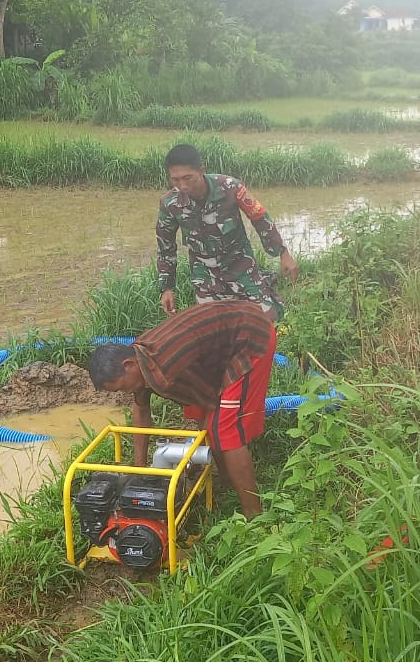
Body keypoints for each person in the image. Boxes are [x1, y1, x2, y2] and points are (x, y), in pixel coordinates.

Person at [87, 300, 278, 519]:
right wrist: (139, 470)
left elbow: (211, 402)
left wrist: (215, 422)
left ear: (128, 365)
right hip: (220, 341)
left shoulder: (166, 364)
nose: (126, 392)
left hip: (250, 336)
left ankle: (254, 514)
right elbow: (141, 409)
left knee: (225, 429)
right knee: (201, 414)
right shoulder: (141, 360)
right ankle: (226, 479)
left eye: (122, 387)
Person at [157, 144, 298, 322]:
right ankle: (262, 281)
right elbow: (165, 247)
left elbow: (260, 218)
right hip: (205, 272)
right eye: (175, 180)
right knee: (212, 327)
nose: (182, 186)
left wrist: (283, 253)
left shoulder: (231, 187)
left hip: (239, 263)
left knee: (268, 320)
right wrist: (166, 288)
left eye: (187, 178)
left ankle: (264, 284)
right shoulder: (169, 203)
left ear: (201, 171)